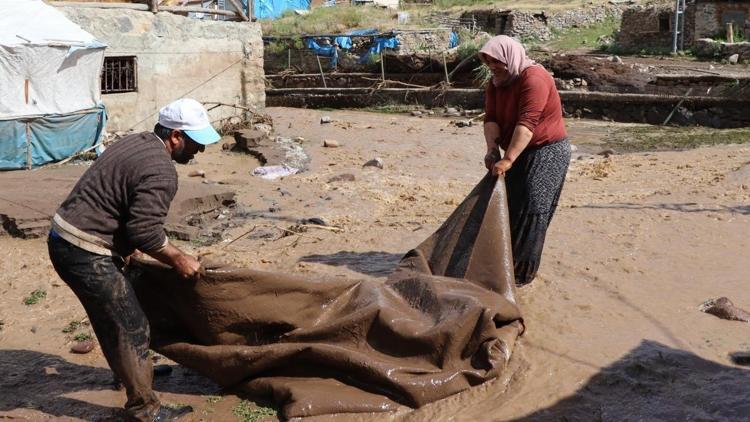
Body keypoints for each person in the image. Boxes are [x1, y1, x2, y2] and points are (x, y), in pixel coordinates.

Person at [47, 98, 221, 421]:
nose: (200, 150)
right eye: (196, 142)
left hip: (66, 236)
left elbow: (120, 202)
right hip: (83, 248)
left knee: (112, 312)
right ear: (175, 137)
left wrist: (130, 248)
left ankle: (130, 375)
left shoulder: (138, 142)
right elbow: (145, 231)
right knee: (132, 323)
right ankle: (145, 409)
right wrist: (179, 259)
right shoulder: (161, 170)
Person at [479, 35, 571, 286]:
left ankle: (521, 278)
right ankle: (502, 266)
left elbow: (527, 124)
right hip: (517, 150)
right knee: (509, 205)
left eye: (498, 62)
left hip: (547, 151)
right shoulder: (496, 83)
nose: (493, 68)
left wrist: (508, 160)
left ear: (511, 57)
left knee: (532, 208)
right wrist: (491, 151)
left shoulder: (535, 78)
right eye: (489, 63)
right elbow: (491, 119)